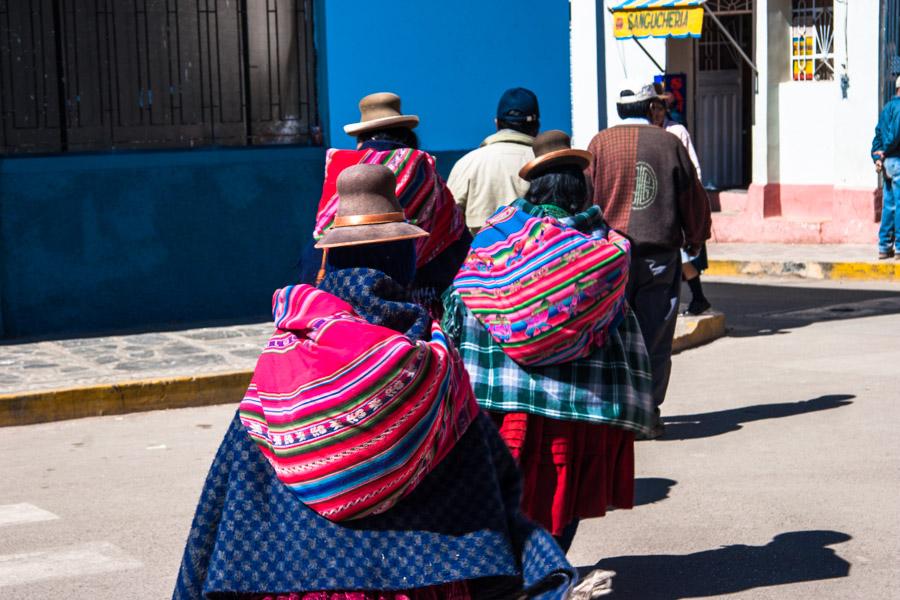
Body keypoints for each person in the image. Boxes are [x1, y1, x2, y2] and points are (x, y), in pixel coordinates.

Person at [173, 164, 576, 600]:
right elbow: (475, 476)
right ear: (403, 259)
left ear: (333, 259)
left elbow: (239, 472)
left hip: (293, 573)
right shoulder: (432, 360)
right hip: (417, 576)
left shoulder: (286, 354)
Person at [442, 131, 655, 552]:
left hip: (500, 402)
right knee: (563, 499)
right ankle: (549, 572)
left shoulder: (493, 240)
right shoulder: (608, 252)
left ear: (535, 188)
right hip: (572, 406)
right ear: (582, 189)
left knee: (503, 500)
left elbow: (460, 303)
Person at [586, 85, 711, 439]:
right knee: (655, 335)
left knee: (613, 336)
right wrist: (696, 236)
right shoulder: (668, 143)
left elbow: (586, 199)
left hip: (609, 258)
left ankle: (616, 411)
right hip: (659, 256)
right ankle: (647, 412)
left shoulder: (599, 144)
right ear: (652, 107)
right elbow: (692, 195)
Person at [304, 92, 471, 316]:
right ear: (407, 135)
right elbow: (455, 239)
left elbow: (320, 237)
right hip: (418, 301)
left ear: (361, 138)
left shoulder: (344, 170)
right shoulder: (425, 172)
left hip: (345, 299)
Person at [649, 94, 711, 315]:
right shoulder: (649, 133)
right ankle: (694, 298)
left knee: (683, 256)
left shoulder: (677, 132)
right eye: (653, 108)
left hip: (677, 201)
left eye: (660, 109)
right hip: (658, 203)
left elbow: (694, 166)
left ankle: (698, 297)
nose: (656, 113)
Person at [447, 87, 539, 232]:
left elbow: (447, 223)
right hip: (538, 253)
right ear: (536, 126)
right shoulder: (544, 164)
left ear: (497, 123)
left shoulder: (466, 164)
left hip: (478, 253)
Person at [871, 75, 900, 260]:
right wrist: (885, 151)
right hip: (896, 160)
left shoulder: (887, 108)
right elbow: (895, 136)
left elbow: (878, 134)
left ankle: (884, 246)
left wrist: (877, 155)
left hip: (889, 163)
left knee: (889, 205)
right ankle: (899, 246)